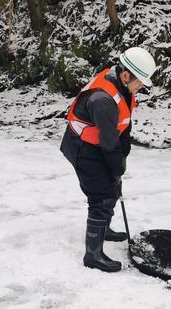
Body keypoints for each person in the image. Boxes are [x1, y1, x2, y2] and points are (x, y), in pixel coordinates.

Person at [60, 47, 156, 272]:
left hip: (99, 144)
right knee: (101, 195)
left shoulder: (123, 87)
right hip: (83, 147)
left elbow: (123, 124)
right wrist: (116, 166)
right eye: (139, 82)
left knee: (112, 188)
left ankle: (105, 228)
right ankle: (93, 254)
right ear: (125, 75)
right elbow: (109, 141)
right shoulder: (102, 99)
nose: (141, 87)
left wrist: (124, 153)